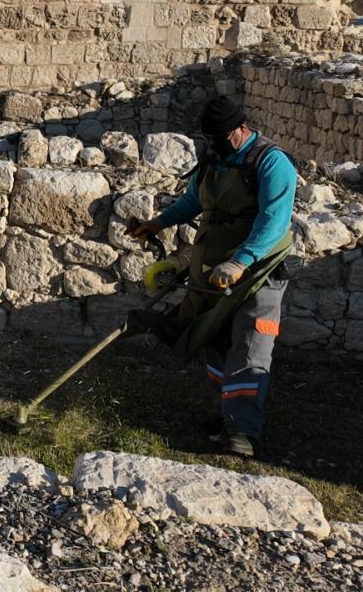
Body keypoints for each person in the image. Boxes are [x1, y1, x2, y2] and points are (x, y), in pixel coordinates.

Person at [126, 95, 297, 458]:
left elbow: (274, 220)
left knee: (250, 348)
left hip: (257, 274)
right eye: (210, 140)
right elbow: (194, 202)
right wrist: (158, 222)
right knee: (215, 342)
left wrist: (241, 261)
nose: (216, 145)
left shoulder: (270, 163)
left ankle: (243, 433)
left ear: (242, 128)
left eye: (221, 138)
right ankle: (224, 414)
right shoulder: (214, 159)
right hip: (214, 269)